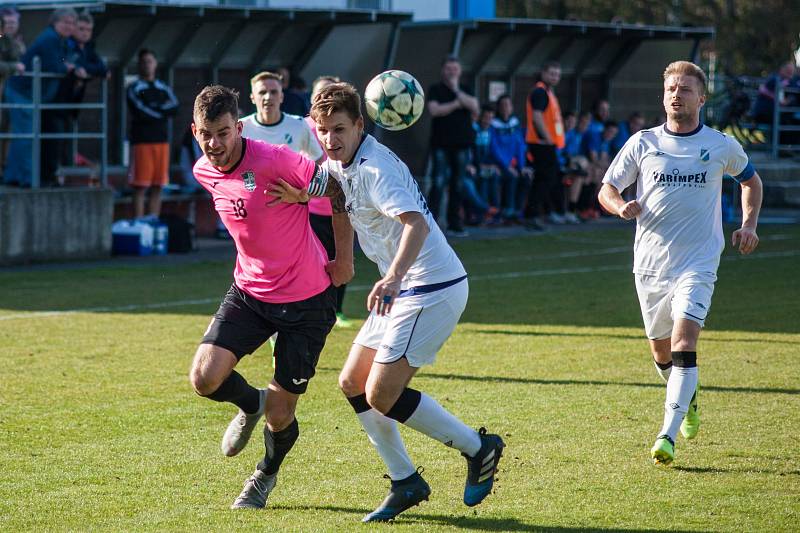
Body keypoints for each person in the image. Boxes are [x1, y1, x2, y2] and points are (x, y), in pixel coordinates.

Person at [270, 82, 504, 523]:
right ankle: (405, 481)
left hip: (431, 287)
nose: (330, 139)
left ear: (360, 124)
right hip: (404, 289)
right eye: (322, 130)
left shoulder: (377, 168)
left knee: (382, 392)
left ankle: (479, 447)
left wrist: (393, 277)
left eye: (339, 129)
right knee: (352, 382)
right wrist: (303, 196)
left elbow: (415, 225)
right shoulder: (344, 161)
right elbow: (335, 191)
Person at [188, 85, 354, 509]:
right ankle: (250, 403)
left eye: (223, 133)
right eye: (207, 134)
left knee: (282, 417)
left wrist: (343, 261)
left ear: (238, 127)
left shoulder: (275, 158)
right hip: (250, 292)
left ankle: (265, 475)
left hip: (307, 299)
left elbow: (336, 188)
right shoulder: (203, 172)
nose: (215, 144)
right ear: (195, 131)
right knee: (204, 378)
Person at [598, 61, 763, 466]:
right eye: (672, 88)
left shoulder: (721, 145)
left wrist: (748, 224)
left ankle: (666, 435)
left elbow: (751, 181)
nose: (677, 94)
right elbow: (607, 188)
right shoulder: (643, 142)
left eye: (686, 89)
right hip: (650, 265)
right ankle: (687, 396)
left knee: (684, 343)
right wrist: (621, 207)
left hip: (699, 262)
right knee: (662, 354)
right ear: (664, 95)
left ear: (701, 98)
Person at [4, 7, 77, 187]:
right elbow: (55, 65)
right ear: (55, 22)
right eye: (65, 22)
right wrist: (68, 68)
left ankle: (14, 177)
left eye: (72, 23)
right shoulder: (49, 39)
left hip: (30, 94)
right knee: (27, 136)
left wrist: (67, 66)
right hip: (22, 92)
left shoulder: (61, 41)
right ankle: (28, 179)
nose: (69, 26)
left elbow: (64, 60)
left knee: (24, 135)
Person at [305, 74, 352, 327]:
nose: (324, 99)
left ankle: (338, 310)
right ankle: (314, 309)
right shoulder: (302, 128)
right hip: (310, 209)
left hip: (341, 208)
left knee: (342, 258)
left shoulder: (342, 127)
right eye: (320, 94)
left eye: (329, 94)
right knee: (314, 262)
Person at [426, 56, 480, 237]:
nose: (452, 73)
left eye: (455, 69)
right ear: (443, 70)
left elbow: (475, 108)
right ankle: (431, 224)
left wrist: (457, 92)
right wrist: (457, 104)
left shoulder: (465, 89)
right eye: (449, 69)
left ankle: (454, 223)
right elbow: (435, 110)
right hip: (441, 143)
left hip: (462, 144)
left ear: (460, 71)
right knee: (438, 182)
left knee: (458, 184)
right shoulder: (435, 89)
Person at [126, 48, 179, 218]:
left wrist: (155, 109)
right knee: (140, 186)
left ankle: (153, 221)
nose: (147, 65)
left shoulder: (163, 87)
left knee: (158, 185)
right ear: (139, 65)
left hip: (162, 141)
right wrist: (160, 112)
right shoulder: (134, 87)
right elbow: (141, 111)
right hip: (142, 142)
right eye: (144, 62)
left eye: (150, 61)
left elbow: (175, 107)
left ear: (155, 64)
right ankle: (140, 224)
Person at [525, 60, 566, 228]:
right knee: (544, 179)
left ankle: (546, 212)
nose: (555, 77)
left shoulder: (548, 93)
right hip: (541, 143)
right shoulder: (540, 92)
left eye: (557, 74)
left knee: (549, 178)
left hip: (546, 143)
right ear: (543, 73)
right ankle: (533, 214)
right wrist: (547, 137)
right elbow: (537, 116)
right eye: (552, 73)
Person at [491, 94, 535, 223]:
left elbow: (520, 146)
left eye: (508, 105)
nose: (505, 107)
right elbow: (494, 149)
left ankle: (518, 211)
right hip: (499, 164)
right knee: (512, 176)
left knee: (526, 177)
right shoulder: (493, 125)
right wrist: (507, 166)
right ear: (498, 108)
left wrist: (521, 167)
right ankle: (507, 210)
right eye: (503, 105)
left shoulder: (515, 124)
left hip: (514, 164)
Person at [0, 7, 26, 180]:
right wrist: (13, 67)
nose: (10, 26)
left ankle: (4, 168)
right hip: (4, 92)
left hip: (11, 94)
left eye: (13, 23)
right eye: (7, 22)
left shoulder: (15, 42)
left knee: (8, 132)